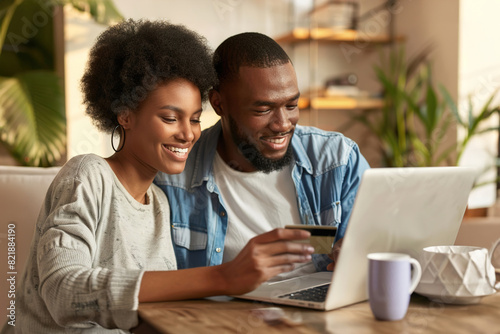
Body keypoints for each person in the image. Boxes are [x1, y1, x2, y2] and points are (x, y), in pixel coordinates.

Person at [11, 21, 314, 334]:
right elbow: (64, 292)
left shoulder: (159, 203)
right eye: (170, 118)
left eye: (195, 119)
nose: (187, 134)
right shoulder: (87, 175)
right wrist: (223, 277)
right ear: (125, 114)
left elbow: (147, 312)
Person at [155, 32, 370, 276]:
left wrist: (357, 251)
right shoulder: (173, 175)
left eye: (291, 105)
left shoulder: (338, 160)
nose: (282, 124)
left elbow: (374, 242)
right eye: (264, 109)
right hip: (222, 311)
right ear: (218, 104)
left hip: (319, 304)